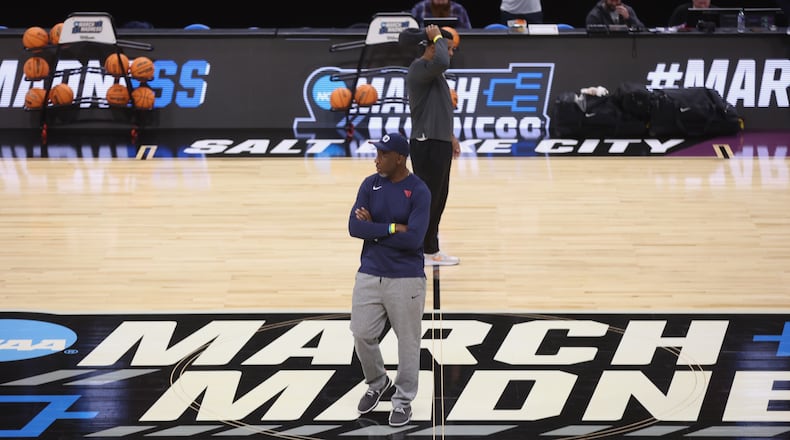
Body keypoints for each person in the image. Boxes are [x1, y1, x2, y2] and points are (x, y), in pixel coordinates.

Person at [348, 132, 430, 427]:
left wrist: (377, 230)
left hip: (406, 278)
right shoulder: (370, 184)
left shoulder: (419, 191)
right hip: (369, 273)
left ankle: (403, 399)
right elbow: (354, 227)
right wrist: (394, 227)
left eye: (382, 154)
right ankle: (378, 381)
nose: (376, 159)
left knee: (407, 342)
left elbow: (415, 240)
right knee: (361, 333)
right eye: (377, 153)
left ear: (399, 158)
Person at [400, 24, 461, 266]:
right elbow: (443, 61)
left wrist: (451, 136)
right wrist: (436, 36)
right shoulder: (419, 69)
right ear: (434, 47)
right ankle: (425, 249)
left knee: (439, 197)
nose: (451, 54)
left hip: (439, 140)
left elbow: (440, 109)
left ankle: (428, 248)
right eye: (449, 48)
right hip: (427, 144)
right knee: (429, 199)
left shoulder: (433, 73)